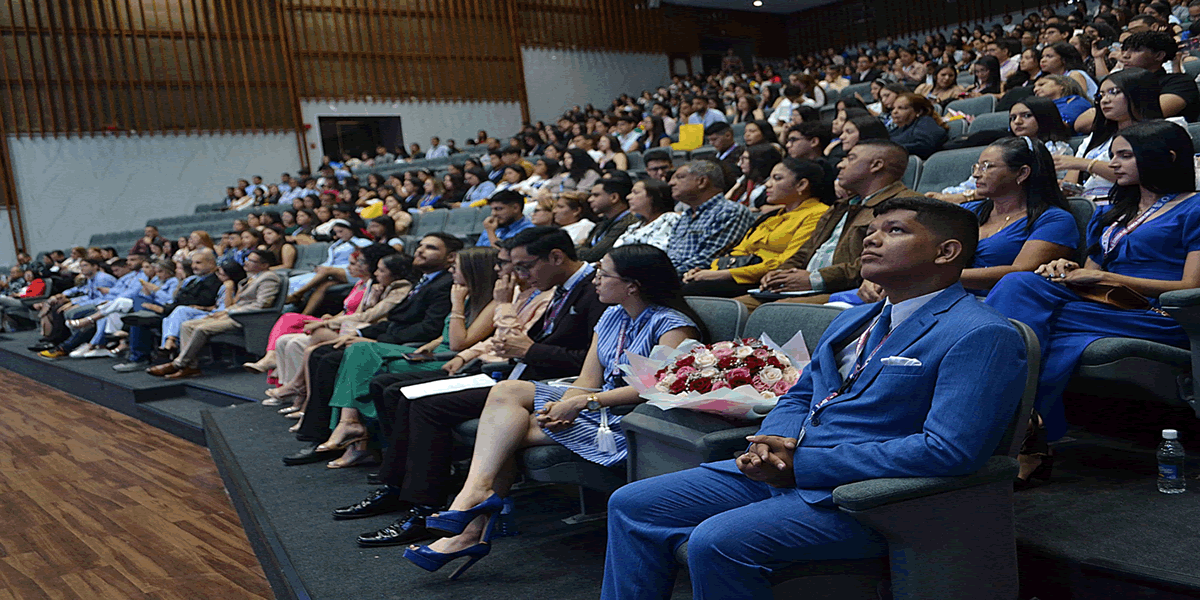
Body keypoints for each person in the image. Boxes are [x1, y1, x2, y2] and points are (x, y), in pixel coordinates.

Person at [601, 197, 1028, 599]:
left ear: (946, 252)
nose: (871, 239)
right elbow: (801, 395)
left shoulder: (980, 332)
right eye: (872, 230)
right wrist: (772, 442)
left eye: (894, 230)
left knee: (715, 540)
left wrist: (803, 466)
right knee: (632, 503)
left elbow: (949, 450)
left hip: (868, 497)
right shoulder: (854, 319)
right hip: (789, 471)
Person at [403, 244, 702, 577]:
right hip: (594, 407)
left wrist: (581, 403)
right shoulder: (612, 315)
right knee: (507, 393)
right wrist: (561, 406)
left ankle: (469, 525)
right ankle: (474, 501)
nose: (595, 280)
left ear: (633, 285)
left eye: (604, 274)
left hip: (631, 420)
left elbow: (657, 388)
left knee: (504, 436)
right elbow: (588, 380)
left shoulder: (673, 326)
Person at [335, 228, 608, 541]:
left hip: (540, 385)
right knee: (407, 396)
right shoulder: (561, 287)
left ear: (556, 257)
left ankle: (424, 511)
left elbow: (590, 364)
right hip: (518, 377)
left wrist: (528, 349)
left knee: (426, 406)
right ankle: (397, 489)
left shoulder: (592, 291)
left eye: (524, 266)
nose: (520, 275)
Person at [987, 121, 1200, 483]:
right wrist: (1064, 269)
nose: (1113, 163)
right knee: (1032, 306)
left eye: (1125, 155)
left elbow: (1191, 286)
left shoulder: (1193, 208)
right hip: (1105, 307)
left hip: (1162, 313)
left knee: (1022, 294)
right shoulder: (1113, 213)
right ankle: (1027, 433)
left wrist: (1109, 278)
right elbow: (1090, 278)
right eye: (1113, 154)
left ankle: (1006, 422)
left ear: (1167, 157)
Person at [282, 234, 460, 462]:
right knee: (322, 352)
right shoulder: (424, 281)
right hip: (392, 336)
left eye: (431, 247)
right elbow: (396, 320)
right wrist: (360, 334)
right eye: (420, 245)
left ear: (450, 257)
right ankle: (325, 433)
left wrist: (376, 342)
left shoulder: (445, 284)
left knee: (331, 358)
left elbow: (428, 329)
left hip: (408, 345)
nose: (420, 250)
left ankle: (325, 436)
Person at [315, 248, 499, 469]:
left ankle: (357, 437)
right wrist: (429, 346)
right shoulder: (466, 294)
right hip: (433, 353)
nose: (451, 271)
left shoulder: (488, 302)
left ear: (473, 271)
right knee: (358, 350)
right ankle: (350, 424)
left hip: (452, 361)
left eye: (456, 267)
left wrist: (457, 303)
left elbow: (459, 344)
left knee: (366, 368)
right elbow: (445, 334)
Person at [844, 137, 1078, 306]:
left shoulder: (1055, 219)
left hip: (991, 303)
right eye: (977, 166)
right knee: (838, 307)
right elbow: (917, 250)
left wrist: (918, 276)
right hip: (931, 294)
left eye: (987, 167)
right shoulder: (968, 210)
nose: (976, 174)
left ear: (1022, 173)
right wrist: (883, 276)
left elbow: (1020, 273)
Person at [742, 140, 914, 308]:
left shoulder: (905, 205)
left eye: (851, 158)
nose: (840, 165)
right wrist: (779, 273)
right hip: (802, 288)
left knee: (775, 312)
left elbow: (881, 262)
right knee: (733, 307)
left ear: (876, 165)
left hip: (842, 291)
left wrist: (815, 279)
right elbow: (806, 249)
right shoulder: (842, 205)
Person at [262, 251, 413, 414]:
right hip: (351, 326)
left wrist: (328, 322)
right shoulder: (372, 285)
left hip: (365, 332)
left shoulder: (398, 287)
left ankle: (301, 394)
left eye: (381, 270)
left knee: (305, 341)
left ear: (395, 273)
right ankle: (292, 390)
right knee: (285, 339)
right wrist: (332, 319)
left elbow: (368, 316)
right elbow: (353, 311)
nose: (377, 273)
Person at [681, 158, 834, 298]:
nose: (767, 184)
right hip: (738, 275)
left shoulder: (818, 213)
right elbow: (738, 252)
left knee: (692, 291)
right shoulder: (770, 216)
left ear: (802, 185)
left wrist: (723, 274)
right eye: (769, 178)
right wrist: (708, 271)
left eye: (777, 178)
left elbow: (787, 262)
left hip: (766, 280)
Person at [147, 250, 283, 379]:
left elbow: (262, 305)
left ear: (264, 265)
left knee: (201, 328)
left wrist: (229, 311)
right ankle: (191, 367)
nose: (246, 262)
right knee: (187, 325)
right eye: (247, 259)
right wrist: (224, 312)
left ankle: (178, 364)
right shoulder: (252, 278)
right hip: (233, 314)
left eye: (252, 261)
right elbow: (241, 303)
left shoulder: (269, 278)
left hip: (245, 318)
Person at [927, 96, 1074, 203]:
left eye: (1027, 116)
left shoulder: (1059, 149)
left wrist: (962, 197)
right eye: (1012, 118)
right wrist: (945, 195)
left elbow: (1033, 188)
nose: (1017, 122)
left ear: (1044, 117)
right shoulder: (1003, 149)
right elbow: (972, 183)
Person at [1054, 68, 1167, 201]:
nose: (1104, 100)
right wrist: (1066, 187)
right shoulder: (1095, 137)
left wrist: (1087, 164)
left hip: (1130, 202)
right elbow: (1072, 175)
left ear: (1138, 93)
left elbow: (1142, 175)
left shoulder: (1161, 132)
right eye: (1101, 95)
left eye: (1114, 92)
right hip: (1089, 201)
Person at [666, 161, 754, 276]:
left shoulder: (729, 211)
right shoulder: (685, 217)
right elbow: (670, 256)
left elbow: (709, 260)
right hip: (674, 277)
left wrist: (663, 275)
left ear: (702, 181)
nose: (671, 183)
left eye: (680, 177)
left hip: (701, 279)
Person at [577, 178, 639, 262]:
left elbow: (593, 255)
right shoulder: (602, 222)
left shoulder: (628, 223)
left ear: (614, 197)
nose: (590, 199)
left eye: (596, 195)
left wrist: (575, 247)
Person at [613, 179, 679, 251]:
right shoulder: (634, 226)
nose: (628, 197)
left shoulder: (670, 219)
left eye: (636, 192)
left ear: (653, 196)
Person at [889, 93, 948, 159]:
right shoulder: (897, 130)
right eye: (893, 108)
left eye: (901, 108)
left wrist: (891, 150)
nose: (894, 112)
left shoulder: (925, 123)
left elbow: (925, 146)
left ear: (919, 111)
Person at [727, 144, 782, 209]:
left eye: (745, 158)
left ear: (758, 161)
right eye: (741, 158)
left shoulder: (772, 186)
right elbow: (727, 199)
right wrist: (737, 185)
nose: (740, 163)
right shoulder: (747, 180)